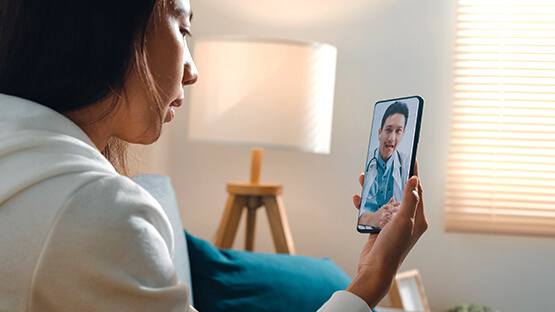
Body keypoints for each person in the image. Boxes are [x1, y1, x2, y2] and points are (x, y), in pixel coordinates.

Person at [0, 1, 427, 311]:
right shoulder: (96, 211)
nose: (192, 69)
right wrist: (372, 280)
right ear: (111, 22)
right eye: (182, 30)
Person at [359, 101, 410, 227]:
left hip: (393, 232)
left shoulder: (406, 164)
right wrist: (373, 218)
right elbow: (359, 218)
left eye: (398, 131)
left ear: (403, 134)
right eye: (388, 130)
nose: (392, 138)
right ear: (380, 132)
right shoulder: (367, 161)